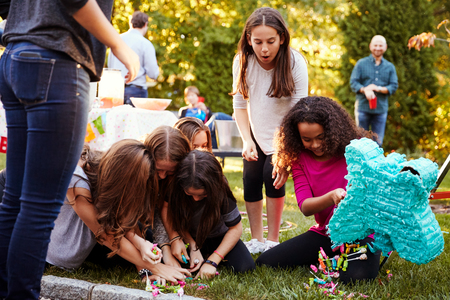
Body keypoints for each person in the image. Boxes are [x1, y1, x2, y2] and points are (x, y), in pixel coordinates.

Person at [0, 0, 140, 298]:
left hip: (15, 56)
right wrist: (118, 44)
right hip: (57, 62)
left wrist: (30, 19)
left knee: (14, 198)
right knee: (39, 206)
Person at [256, 96, 381, 284]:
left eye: (321, 137)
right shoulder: (299, 159)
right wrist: (332, 196)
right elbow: (305, 206)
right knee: (265, 262)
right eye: (307, 139)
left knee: (355, 278)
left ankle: (346, 258)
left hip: (363, 233)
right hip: (326, 234)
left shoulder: (357, 147)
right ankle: (331, 257)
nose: (314, 145)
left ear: (333, 130)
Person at [45, 139, 190, 284]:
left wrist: (144, 270)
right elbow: (104, 234)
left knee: (148, 240)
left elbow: (127, 220)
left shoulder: (108, 169)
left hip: (91, 243)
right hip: (57, 257)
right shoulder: (76, 179)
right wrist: (157, 267)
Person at [231, 7, 308, 254]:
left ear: (282, 38)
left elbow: (299, 112)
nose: (264, 49)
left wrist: (286, 151)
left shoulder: (295, 62)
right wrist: (246, 140)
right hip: (254, 130)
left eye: (271, 41)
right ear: (249, 39)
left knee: (271, 176)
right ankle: (256, 239)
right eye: (258, 42)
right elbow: (240, 105)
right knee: (250, 177)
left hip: (285, 133)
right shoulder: (242, 61)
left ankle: (272, 241)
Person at [167, 150, 255, 279]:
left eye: (203, 195)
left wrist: (213, 261)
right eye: (190, 194)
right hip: (189, 237)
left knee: (245, 268)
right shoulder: (176, 189)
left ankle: (209, 255)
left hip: (219, 237)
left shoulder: (221, 189)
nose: (196, 199)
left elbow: (235, 228)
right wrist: (193, 245)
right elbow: (174, 221)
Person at [350, 35, 398, 146]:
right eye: (375, 45)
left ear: (385, 47)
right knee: (361, 142)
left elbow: (393, 86)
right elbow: (353, 83)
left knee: (378, 143)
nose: (377, 48)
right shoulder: (361, 64)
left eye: (380, 45)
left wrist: (378, 88)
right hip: (362, 108)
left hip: (380, 110)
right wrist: (364, 89)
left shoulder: (390, 67)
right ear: (370, 46)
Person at [108, 11, 159, 106]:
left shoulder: (116, 40)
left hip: (114, 90)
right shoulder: (146, 44)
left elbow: (110, 66)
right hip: (136, 91)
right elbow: (153, 74)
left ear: (130, 23)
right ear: (145, 24)